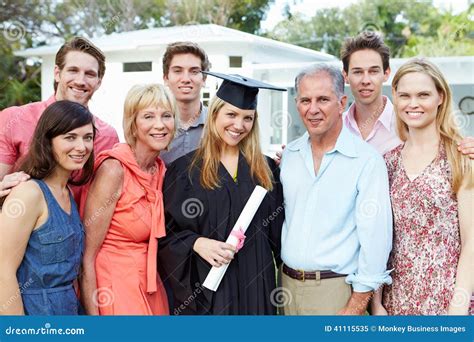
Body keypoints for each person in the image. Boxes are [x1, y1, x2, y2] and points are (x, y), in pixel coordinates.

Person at [159, 72, 285, 315]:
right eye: (231, 114)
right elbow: (165, 235)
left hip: (257, 289)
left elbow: (281, 237)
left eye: (247, 118)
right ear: (214, 113)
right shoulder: (185, 171)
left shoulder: (266, 170)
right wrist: (196, 243)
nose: (239, 125)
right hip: (209, 292)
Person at [279, 64, 392, 315]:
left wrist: (357, 304)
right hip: (286, 287)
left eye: (323, 99)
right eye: (305, 100)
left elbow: (376, 241)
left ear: (341, 102)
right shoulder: (289, 156)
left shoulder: (366, 161)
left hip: (336, 292)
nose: (313, 109)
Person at [370, 58, 473, 315]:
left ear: (440, 96)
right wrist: (376, 303)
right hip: (397, 303)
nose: (413, 104)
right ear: (395, 97)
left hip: (448, 301)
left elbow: (471, 239)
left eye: (423, 95)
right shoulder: (387, 162)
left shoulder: (461, 156)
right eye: (404, 95)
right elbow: (379, 239)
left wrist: (458, 307)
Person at [80, 84, 176, 315]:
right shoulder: (114, 170)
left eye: (166, 116)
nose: (160, 125)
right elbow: (86, 256)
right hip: (114, 285)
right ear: (133, 124)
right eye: (148, 116)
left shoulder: (160, 170)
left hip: (150, 282)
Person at [0, 100, 95, 315]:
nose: (82, 147)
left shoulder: (67, 193)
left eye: (87, 137)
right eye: (70, 137)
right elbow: (3, 272)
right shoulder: (29, 193)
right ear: (48, 141)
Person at [0, 36, 119, 198]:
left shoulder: (108, 137)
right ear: (57, 73)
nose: (80, 81)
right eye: (73, 70)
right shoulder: (14, 119)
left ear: (99, 82)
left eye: (90, 74)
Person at [340, 31, 474, 157]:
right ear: (345, 76)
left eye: (373, 71)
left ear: (386, 74)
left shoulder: (411, 120)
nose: (366, 80)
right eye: (357, 72)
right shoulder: (335, 127)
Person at [159, 41, 211, 165]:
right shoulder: (152, 127)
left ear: (204, 79)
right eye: (177, 71)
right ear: (166, 78)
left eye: (194, 71)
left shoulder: (218, 124)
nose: (186, 79)